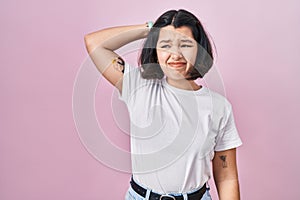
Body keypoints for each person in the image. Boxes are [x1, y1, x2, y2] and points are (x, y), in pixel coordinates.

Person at [84, 9, 242, 200]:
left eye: (185, 45)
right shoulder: (138, 87)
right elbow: (94, 43)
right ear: (156, 51)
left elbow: (226, 176)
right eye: (166, 45)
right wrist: (150, 30)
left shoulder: (219, 107)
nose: (175, 54)